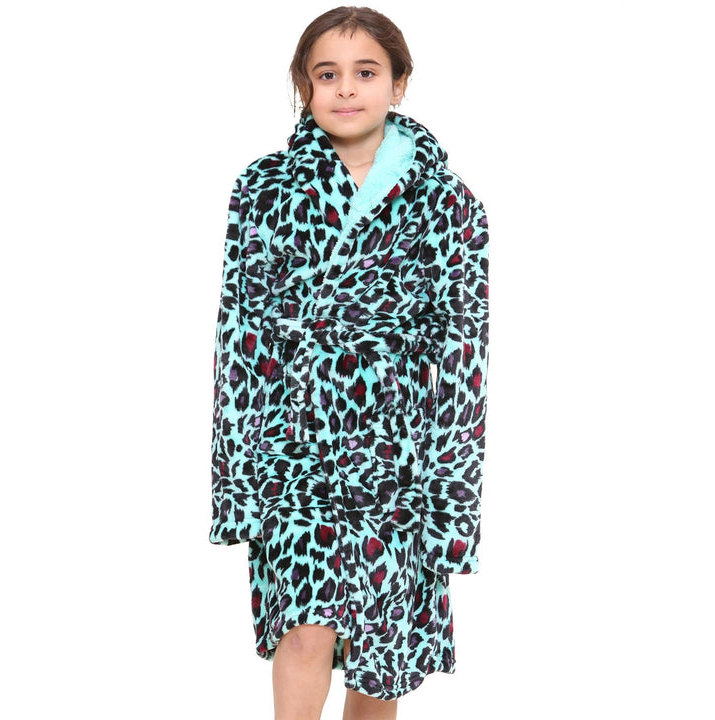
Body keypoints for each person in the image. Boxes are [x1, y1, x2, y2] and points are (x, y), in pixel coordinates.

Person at [209, 6, 489, 719]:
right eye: (326, 74)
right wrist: (235, 478)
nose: (345, 89)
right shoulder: (264, 189)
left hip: (395, 453)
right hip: (292, 443)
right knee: (303, 632)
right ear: (304, 86)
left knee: (378, 652)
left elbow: (465, 356)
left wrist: (453, 497)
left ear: (399, 83)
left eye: (366, 72)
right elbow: (240, 336)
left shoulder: (448, 204)